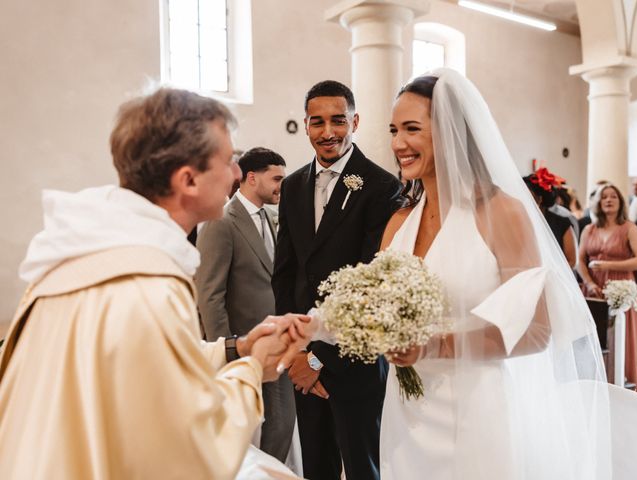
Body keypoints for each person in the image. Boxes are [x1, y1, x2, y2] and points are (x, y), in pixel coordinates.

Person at [0, 88, 307, 479]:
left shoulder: (81, 254)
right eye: (228, 160)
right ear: (188, 180)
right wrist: (252, 369)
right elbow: (190, 448)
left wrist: (236, 348)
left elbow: (139, 360)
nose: (235, 173)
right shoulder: (148, 282)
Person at [368, 69, 610, 478]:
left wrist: (435, 346)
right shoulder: (398, 222)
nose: (397, 144)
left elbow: (535, 331)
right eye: (394, 130)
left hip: (476, 407)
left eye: (412, 129)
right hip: (407, 410)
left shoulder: (501, 213)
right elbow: (376, 309)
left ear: (451, 132)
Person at [272, 80, 402, 480]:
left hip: (354, 361)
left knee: (363, 467)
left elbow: (371, 285)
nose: (327, 132)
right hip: (302, 359)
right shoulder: (292, 185)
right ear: (306, 125)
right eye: (317, 122)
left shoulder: (381, 187)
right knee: (317, 467)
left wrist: (319, 360)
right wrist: (295, 349)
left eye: (338, 121)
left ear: (355, 121)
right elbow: (286, 273)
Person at [195, 147, 294, 462]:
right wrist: (226, 350)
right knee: (247, 433)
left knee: (282, 426)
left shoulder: (271, 218)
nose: (282, 185)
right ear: (252, 178)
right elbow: (210, 294)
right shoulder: (223, 221)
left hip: (275, 343)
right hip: (242, 346)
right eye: (276, 178)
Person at [577, 183, 637, 389]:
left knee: (622, 336)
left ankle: (625, 382)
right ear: (598, 202)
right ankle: (596, 385)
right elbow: (580, 261)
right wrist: (589, 283)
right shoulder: (589, 229)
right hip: (594, 289)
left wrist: (608, 265)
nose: (608, 200)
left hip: (621, 287)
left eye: (614, 196)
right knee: (596, 338)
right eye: (604, 197)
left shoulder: (629, 229)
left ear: (621, 202)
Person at [522, 171, 577, 267]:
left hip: (555, 276)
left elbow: (571, 260)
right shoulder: (520, 220)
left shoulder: (562, 223)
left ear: (539, 199)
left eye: (527, 195)